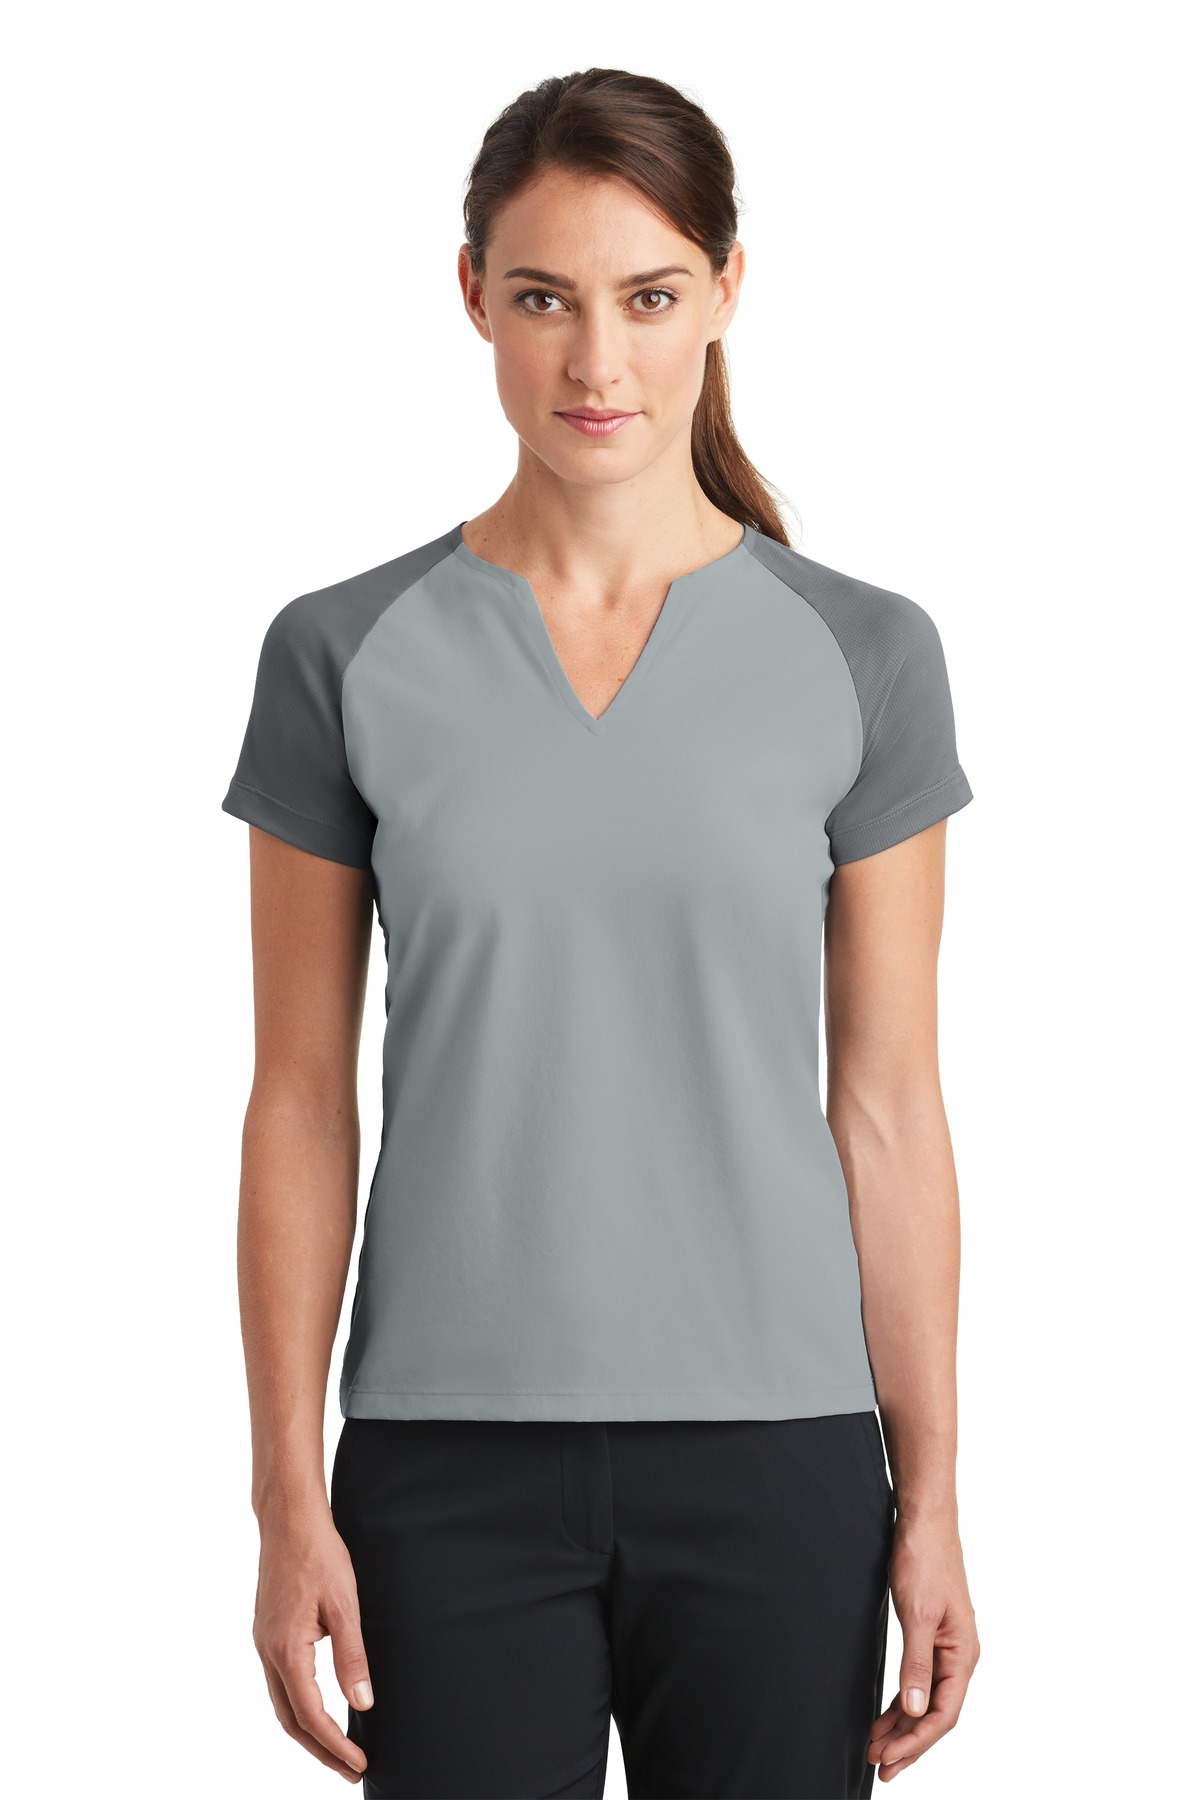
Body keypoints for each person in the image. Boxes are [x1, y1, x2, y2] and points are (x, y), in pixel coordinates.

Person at [221, 66, 981, 1800]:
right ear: (473, 296)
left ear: (726, 291)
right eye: (545, 298)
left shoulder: (864, 654)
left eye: (647, 298)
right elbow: (300, 1104)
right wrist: (284, 1495)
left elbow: (888, 1109)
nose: (596, 363)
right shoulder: (342, 653)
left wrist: (933, 1495)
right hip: (444, 1471)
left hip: (781, 1465)